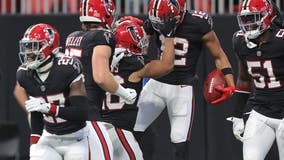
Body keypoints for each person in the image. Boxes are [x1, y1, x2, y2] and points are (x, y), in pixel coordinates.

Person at [131, 0, 236, 159]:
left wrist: (231, 83)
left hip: (182, 88)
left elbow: (219, 55)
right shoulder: (157, 18)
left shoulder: (198, 23)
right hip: (156, 84)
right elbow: (140, 50)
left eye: (164, 20)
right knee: (132, 133)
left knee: (180, 146)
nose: (161, 23)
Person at [65, 0, 138, 159]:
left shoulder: (72, 37)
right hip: (89, 114)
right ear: (105, 12)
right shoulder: (103, 36)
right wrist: (125, 93)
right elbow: (100, 77)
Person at [16, 23, 90, 160]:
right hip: (49, 137)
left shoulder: (67, 68)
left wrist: (49, 108)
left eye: (33, 46)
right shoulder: (24, 74)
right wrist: (35, 141)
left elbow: (81, 113)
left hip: (76, 138)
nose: (28, 52)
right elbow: (37, 113)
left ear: (49, 46)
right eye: (27, 47)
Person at [228, 0, 284, 159]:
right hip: (261, 113)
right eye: (245, 19)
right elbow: (244, 79)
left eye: (253, 18)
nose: (249, 24)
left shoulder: (280, 41)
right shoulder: (240, 42)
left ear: (267, 17)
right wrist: (237, 114)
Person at [100, 17, 148, 160]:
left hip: (97, 127)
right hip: (119, 129)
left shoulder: (98, 60)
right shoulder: (136, 63)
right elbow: (166, 66)